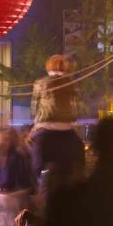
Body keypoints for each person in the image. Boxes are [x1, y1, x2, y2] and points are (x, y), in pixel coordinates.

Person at [28, 53, 86, 199]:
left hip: (45, 128)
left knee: (34, 160)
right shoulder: (72, 83)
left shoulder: (41, 83)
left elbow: (34, 108)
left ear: (48, 68)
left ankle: (35, 188)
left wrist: (34, 126)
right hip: (67, 130)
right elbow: (77, 108)